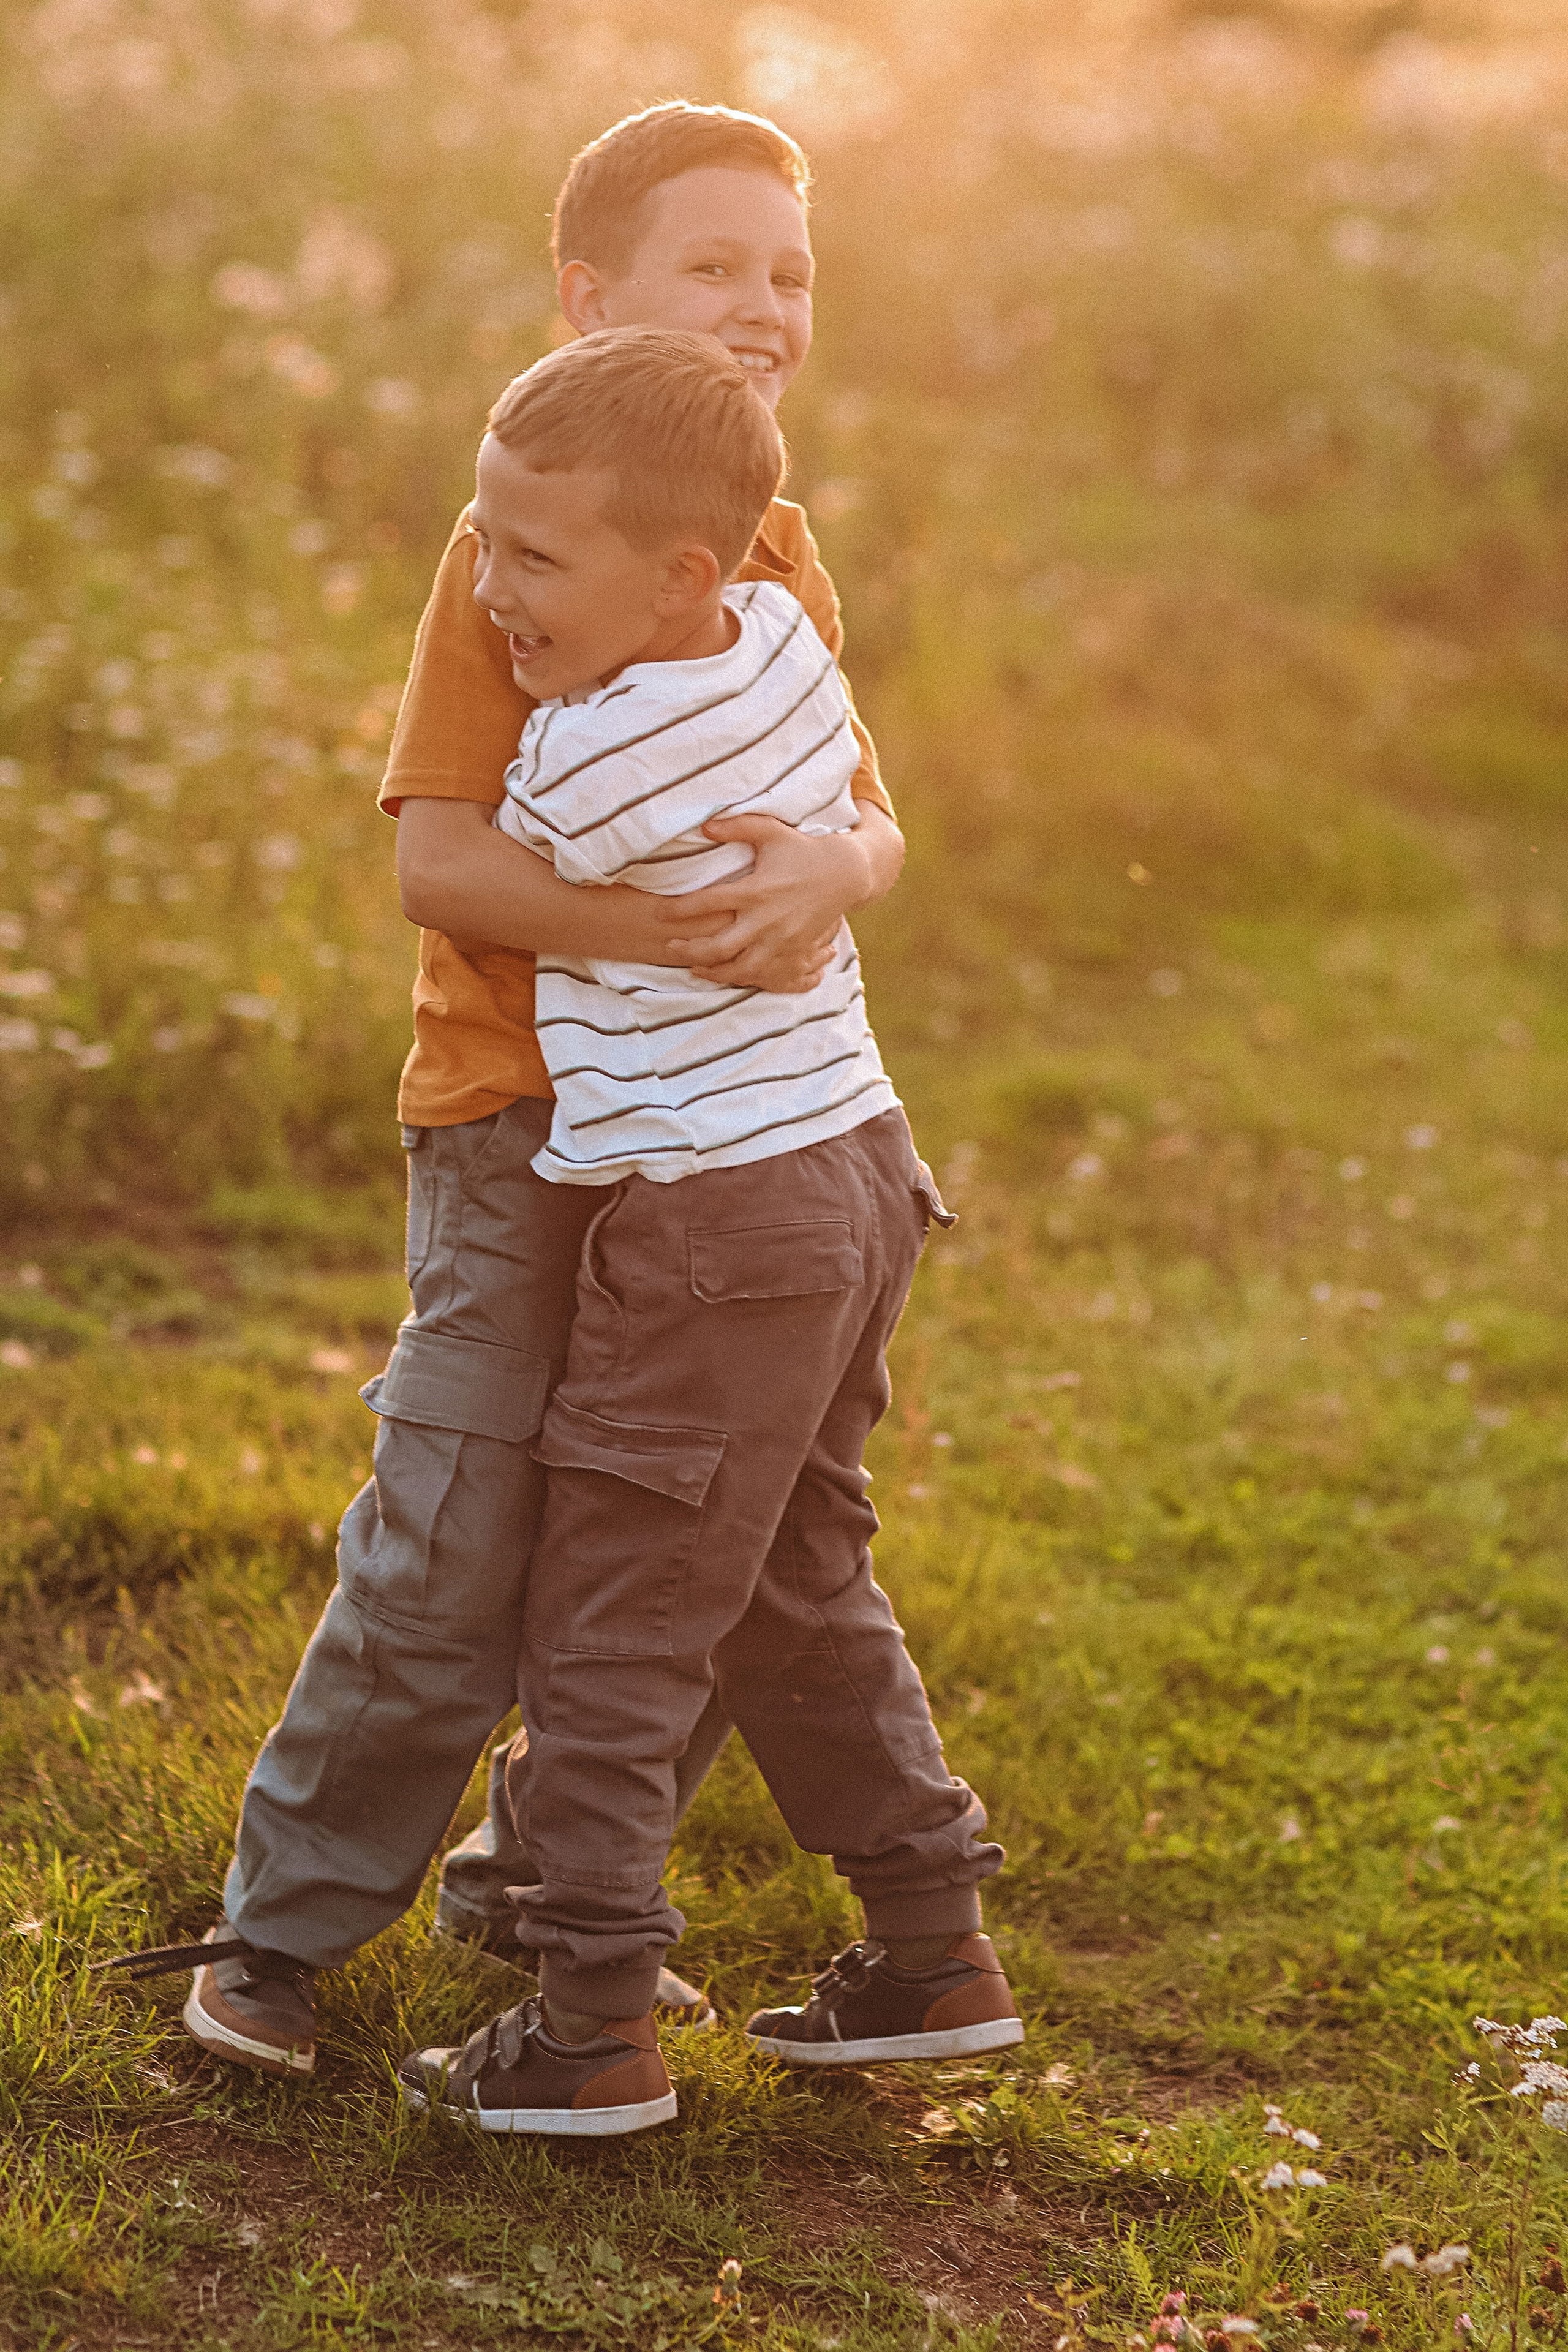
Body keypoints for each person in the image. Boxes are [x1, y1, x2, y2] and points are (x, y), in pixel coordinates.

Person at [101, 102, 910, 2082]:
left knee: (668, 1539)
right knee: (457, 1537)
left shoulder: (772, 553)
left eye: (787, 270)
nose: (762, 305)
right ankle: (282, 1935)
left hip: (716, 1152)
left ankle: (552, 1907)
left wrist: (834, 872)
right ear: (590, 300)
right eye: (710, 267)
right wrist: (677, 929)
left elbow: (860, 821)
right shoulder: (518, 556)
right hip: (520, 1123)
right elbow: (441, 866)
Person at [395, 326, 1019, 2137]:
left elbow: (465, 869)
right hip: (855, 1169)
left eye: (531, 557)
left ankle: (588, 2020)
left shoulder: (586, 761)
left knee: (616, 1609)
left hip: (712, 1220)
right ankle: (931, 1948)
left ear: (680, 569)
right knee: (792, 1580)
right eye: (486, 544)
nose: (490, 587)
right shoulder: (786, 639)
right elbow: (853, 829)